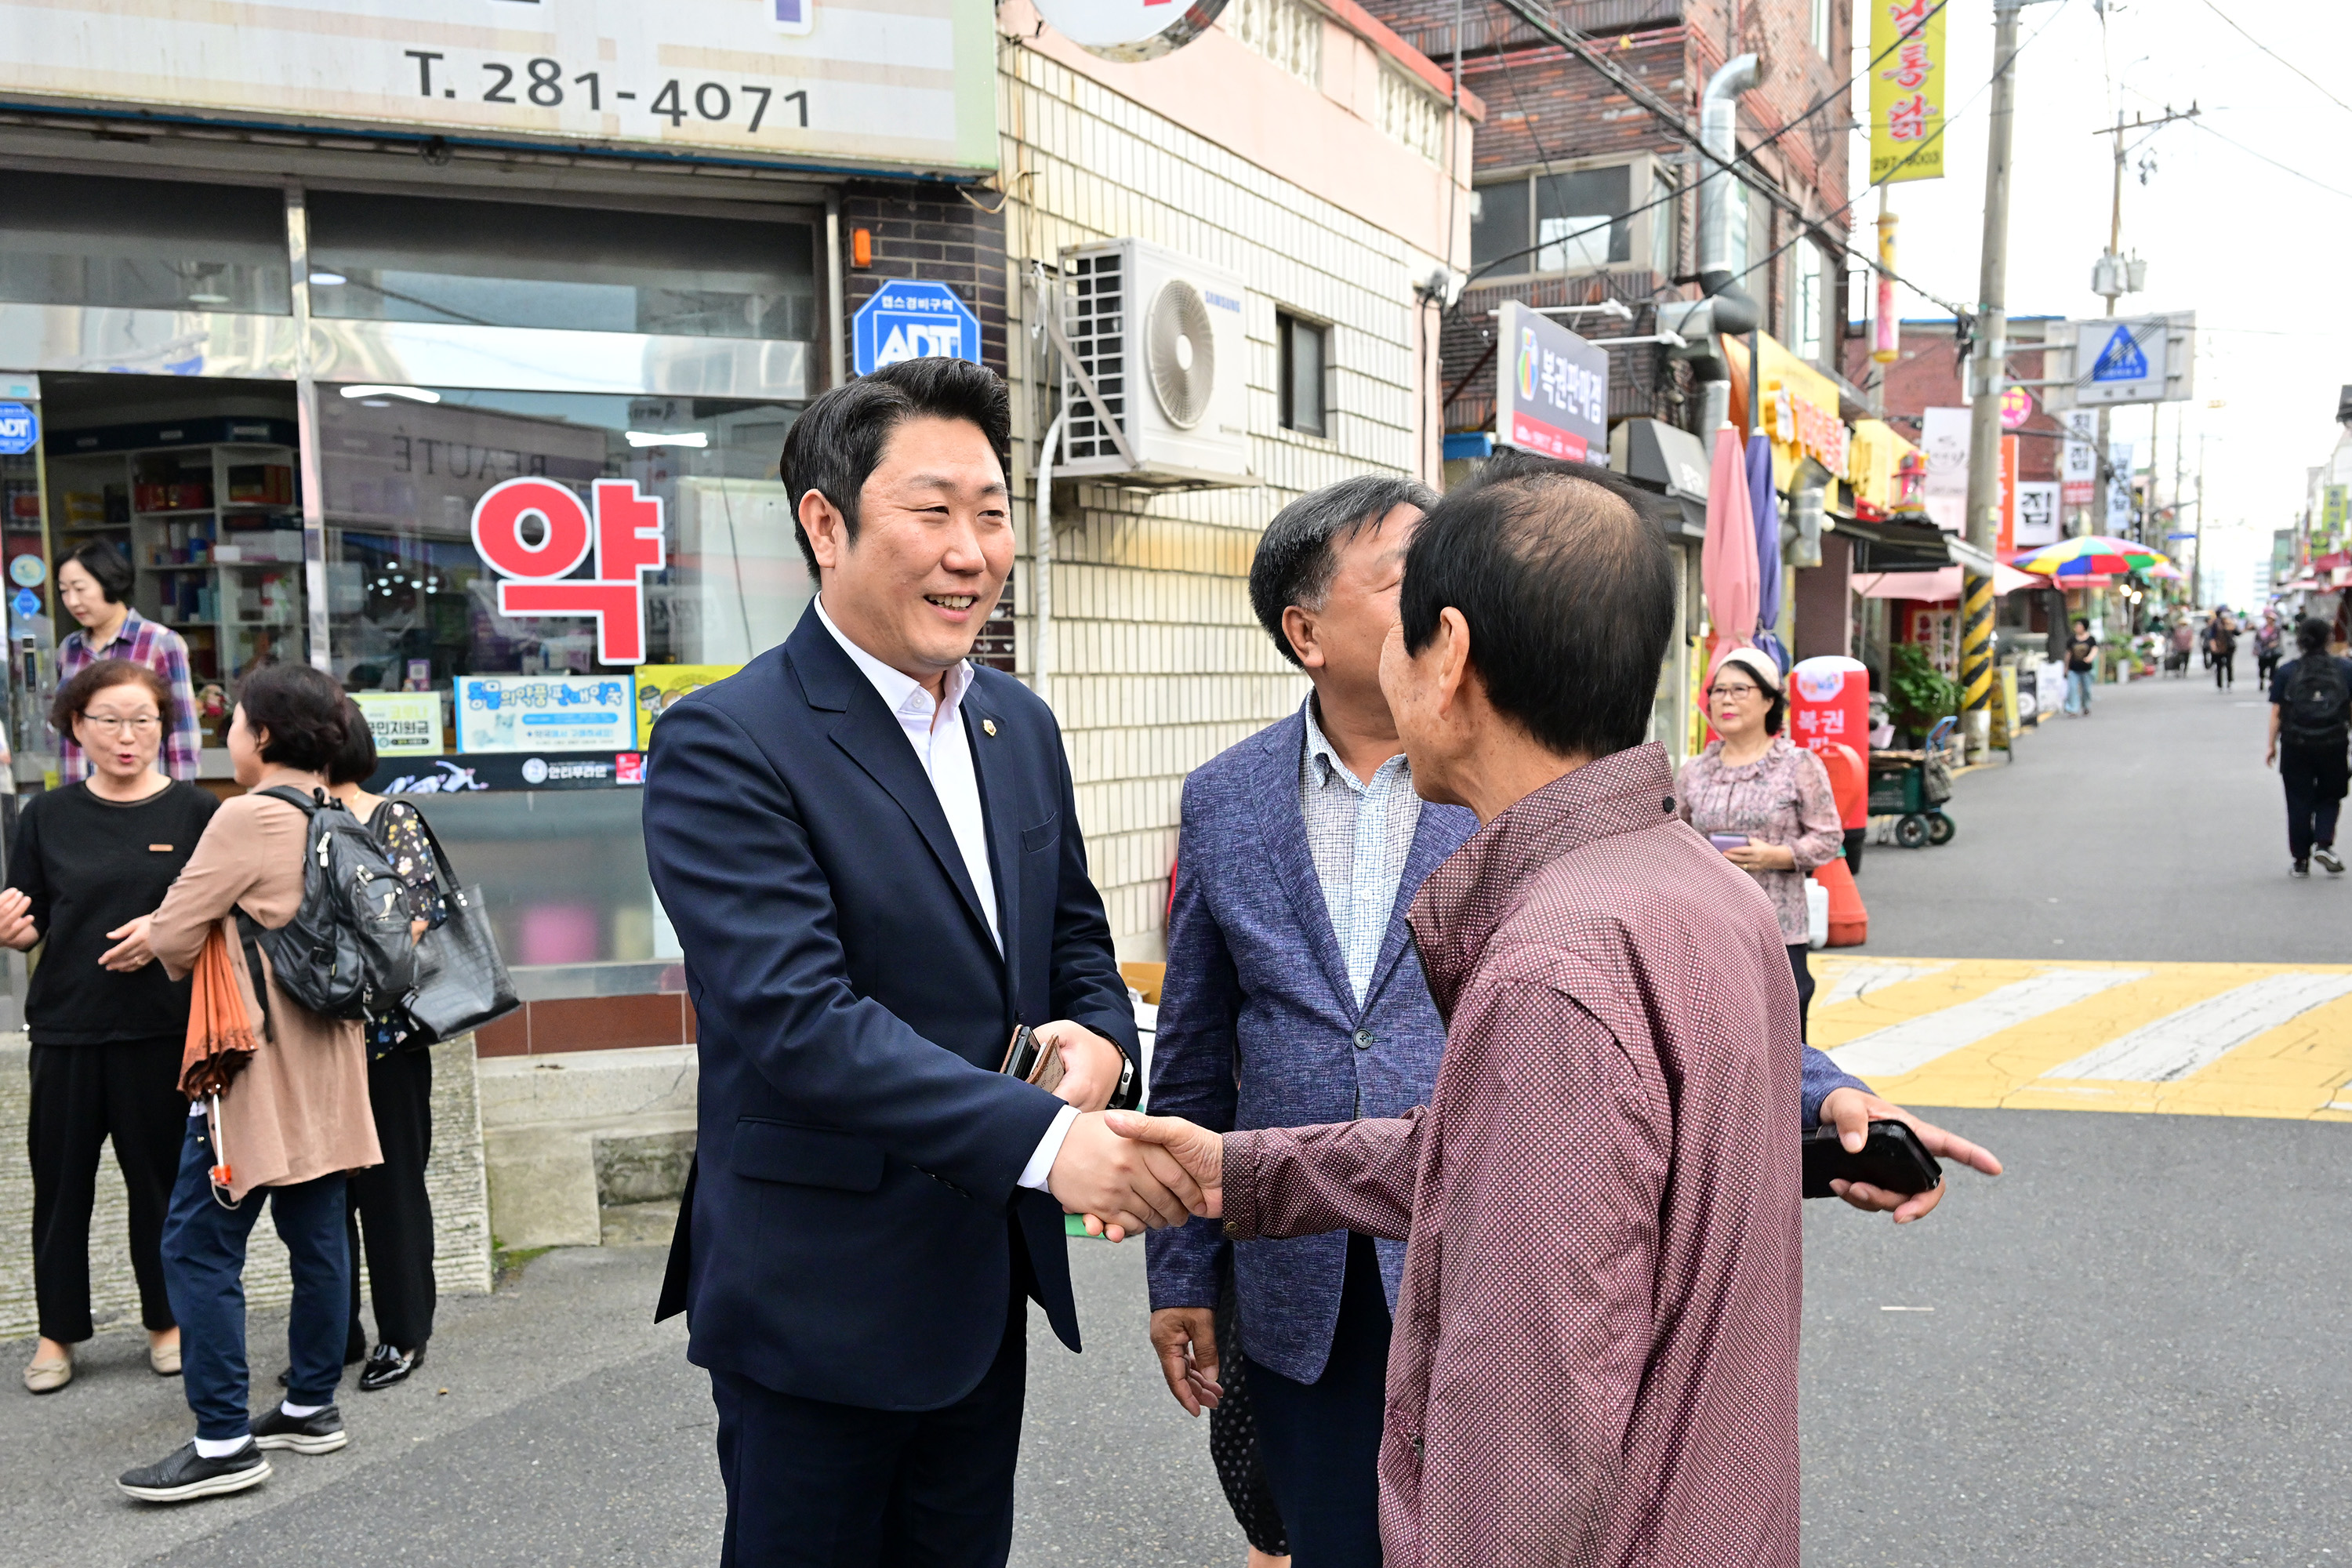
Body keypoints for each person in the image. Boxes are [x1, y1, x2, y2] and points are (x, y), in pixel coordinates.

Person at [1111, 454, 2001, 1567]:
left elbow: (1525, 1436)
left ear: (1455, 661)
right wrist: (1228, 1178)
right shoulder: (1699, 887)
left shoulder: (1549, 965)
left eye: (1412, 622)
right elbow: (1492, 1157)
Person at [640, 357, 1185, 1568]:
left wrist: (1102, 1041)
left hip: (982, 1282)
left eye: (991, 513)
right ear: (824, 526)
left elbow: (1073, 939)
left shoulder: (1016, 723)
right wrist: (1052, 1147)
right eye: (932, 512)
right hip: (819, 1297)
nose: (973, 550)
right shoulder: (728, 742)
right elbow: (800, 1020)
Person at [118, 664, 380, 1504]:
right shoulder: (338, 813)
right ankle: (311, 1402)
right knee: (319, 1232)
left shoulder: (246, 814)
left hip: (253, 1066)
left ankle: (224, 1437)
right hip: (332, 1061)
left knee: (197, 1243)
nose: (227, 734)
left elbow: (181, 925)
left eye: (233, 721)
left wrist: (155, 934)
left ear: (261, 736)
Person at [1, 659, 218, 1394]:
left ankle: (167, 1321)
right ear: (77, 728)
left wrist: (163, 928)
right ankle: (58, 1334)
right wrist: (10, 931)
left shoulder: (195, 812)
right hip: (66, 1029)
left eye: (144, 721)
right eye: (110, 722)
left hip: (161, 1030)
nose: (128, 738)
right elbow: (31, 925)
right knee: (61, 1189)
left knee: (159, 1186)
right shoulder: (48, 816)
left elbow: (222, 914)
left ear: (164, 726)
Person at [326, 700, 445, 1390]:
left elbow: (413, 922)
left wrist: (325, 971)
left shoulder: (389, 818)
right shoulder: (295, 820)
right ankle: (333, 1331)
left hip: (384, 1041)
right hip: (314, 1043)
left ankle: (404, 1333)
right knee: (321, 1196)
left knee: (392, 1190)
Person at [1677, 647, 1844, 1040]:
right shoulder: (1694, 771)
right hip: (1709, 929)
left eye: (1739, 689)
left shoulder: (1797, 763)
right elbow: (1674, 838)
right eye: (1718, 691)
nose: (1725, 700)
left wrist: (1777, 855)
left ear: (1770, 699)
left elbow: (1829, 836)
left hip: (1778, 929)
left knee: (1782, 1045)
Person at [55, 541, 201, 782]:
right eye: (64, 591)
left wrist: (182, 797)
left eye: (80, 589)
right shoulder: (69, 649)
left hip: (146, 795)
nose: (72, 601)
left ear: (110, 582)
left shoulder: (160, 643)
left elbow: (182, 731)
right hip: (80, 793)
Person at [2266, 615, 2352, 878]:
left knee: (2298, 800)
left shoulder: (2287, 671)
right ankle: (2324, 843)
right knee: (2330, 794)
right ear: (2329, 639)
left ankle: (2300, 860)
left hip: (2296, 744)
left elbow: (2277, 712)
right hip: (2334, 742)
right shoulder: (2345, 669)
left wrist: (2271, 745)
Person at [2064, 618, 2098, 715]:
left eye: (2079, 626)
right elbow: (2068, 654)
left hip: (2086, 669)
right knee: (2072, 689)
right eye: (2076, 626)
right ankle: (2073, 709)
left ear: (2084, 627)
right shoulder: (2072, 639)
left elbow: (2094, 650)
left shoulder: (2091, 639)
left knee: (2086, 690)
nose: (2077, 628)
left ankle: (2086, 705)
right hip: (2073, 669)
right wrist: (2066, 667)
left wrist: (2089, 658)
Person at [2207, 609, 2238, 691]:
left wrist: (2231, 625)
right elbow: (2212, 635)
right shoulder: (2216, 624)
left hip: (2229, 647)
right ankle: (2219, 684)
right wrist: (2213, 645)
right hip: (2219, 647)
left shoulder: (2231, 623)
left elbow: (2237, 633)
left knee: (2229, 665)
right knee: (2219, 666)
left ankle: (2229, 682)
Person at [2255, 611, 2285, 689]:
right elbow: (2257, 640)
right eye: (2268, 619)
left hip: (2273, 652)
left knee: (2273, 667)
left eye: (2271, 619)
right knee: (2262, 667)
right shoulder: (2261, 629)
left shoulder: (2277, 629)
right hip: (2263, 651)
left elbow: (2279, 639)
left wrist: (2275, 643)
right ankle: (2262, 680)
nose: (2270, 621)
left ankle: (2272, 682)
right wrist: (2257, 649)